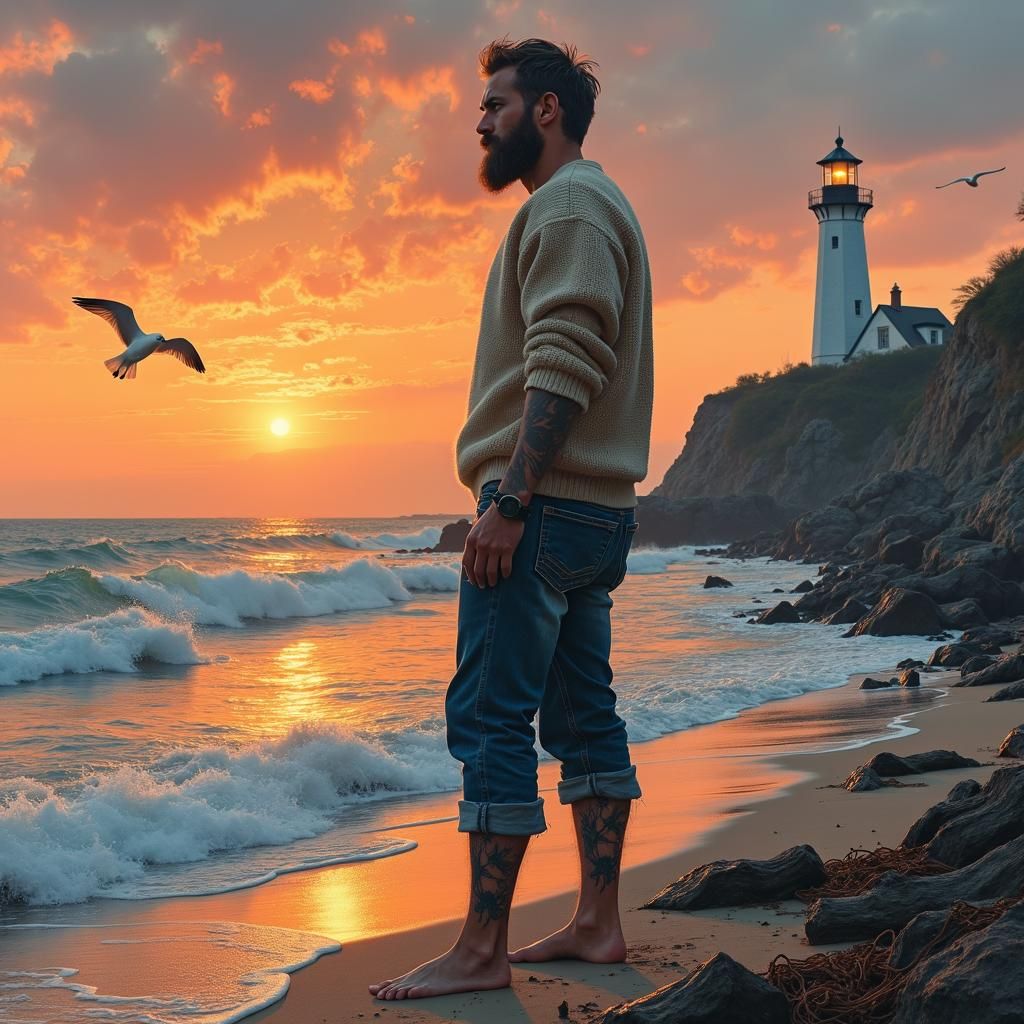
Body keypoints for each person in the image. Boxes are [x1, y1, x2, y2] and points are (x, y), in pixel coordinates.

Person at [369, 36, 654, 1001]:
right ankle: (597, 924)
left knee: (491, 716)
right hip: (598, 518)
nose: (478, 120)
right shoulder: (595, 204)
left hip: (542, 511)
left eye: (493, 103)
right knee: (583, 716)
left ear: (545, 111)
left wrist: (508, 501)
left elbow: (566, 358)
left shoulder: (569, 205)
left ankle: (482, 949)